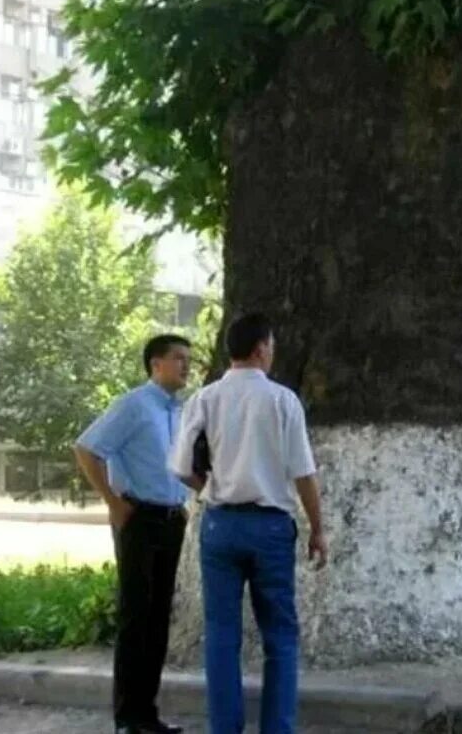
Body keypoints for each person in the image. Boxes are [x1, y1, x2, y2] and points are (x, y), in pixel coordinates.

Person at [170, 312, 327, 734]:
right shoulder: (282, 400)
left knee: (221, 634)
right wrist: (317, 528)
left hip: (220, 526)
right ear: (260, 348)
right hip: (270, 528)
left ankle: (225, 728)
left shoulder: (203, 399)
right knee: (280, 636)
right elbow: (303, 471)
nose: (272, 354)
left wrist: (208, 488)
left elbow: (181, 467)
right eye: (271, 346)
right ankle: (277, 728)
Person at [73, 334, 192, 734]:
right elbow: (87, 448)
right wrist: (113, 502)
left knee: (159, 618)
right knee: (136, 616)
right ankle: (127, 718)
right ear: (155, 364)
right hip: (138, 518)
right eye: (178, 358)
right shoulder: (134, 405)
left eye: (188, 359)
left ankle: (148, 713)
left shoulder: (177, 411)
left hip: (172, 519)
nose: (186, 366)